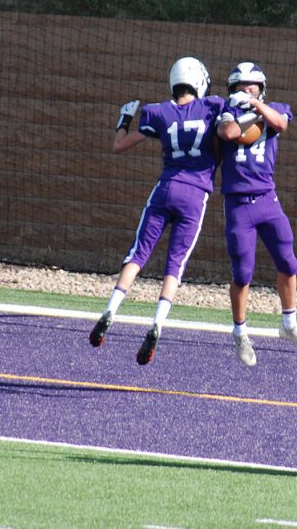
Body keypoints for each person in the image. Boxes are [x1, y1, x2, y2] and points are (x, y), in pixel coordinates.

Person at [88, 56, 225, 366]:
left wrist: (124, 118)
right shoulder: (213, 107)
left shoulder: (159, 113)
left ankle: (110, 309)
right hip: (195, 194)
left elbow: (119, 146)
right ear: (199, 81)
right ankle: (157, 324)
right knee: (175, 263)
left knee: (139, 253)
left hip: (165, 188)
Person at [215, 62, 297, 367]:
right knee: (243, 273)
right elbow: (231, 132)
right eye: (241, 86)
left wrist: (257, 105)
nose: (247, 89)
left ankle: (288, 324)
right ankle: (240, 332)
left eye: (253, 85)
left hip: (267, 199)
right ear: (232, 90)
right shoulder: (225, 112)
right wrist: (244, 110)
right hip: (238, 204)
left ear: (262, 88)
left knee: (288, 261)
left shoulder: (274, 108)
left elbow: (281, 124)